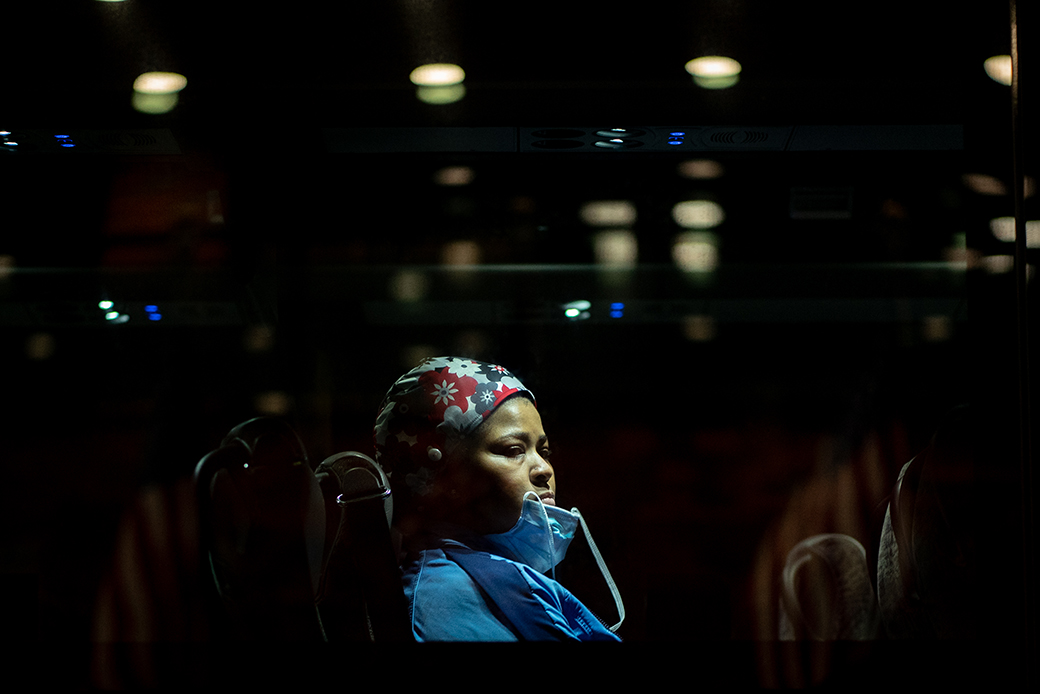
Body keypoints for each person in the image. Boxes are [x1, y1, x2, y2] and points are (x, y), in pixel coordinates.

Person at [373, 356, 623, 641]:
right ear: (445, 476)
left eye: (544, 451)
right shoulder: (448, 600)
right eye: (513, 450)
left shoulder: (491, 576)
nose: (544, 469)